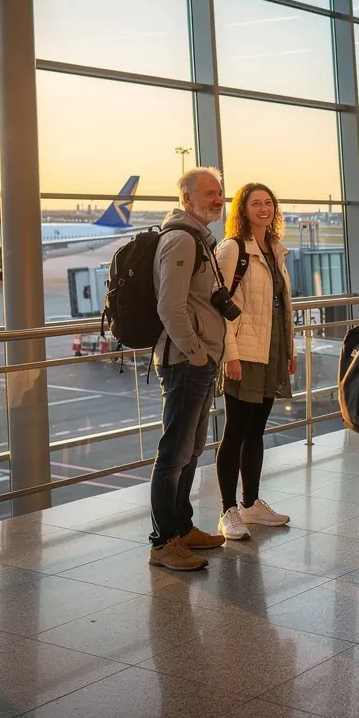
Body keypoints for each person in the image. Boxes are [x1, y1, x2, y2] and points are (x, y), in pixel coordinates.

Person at [148, 167, 228, 571]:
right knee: (173, 454)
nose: (218, 199)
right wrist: (196, 352)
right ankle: (163, 543)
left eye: (219, 192)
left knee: (191, 450)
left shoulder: (199, 238)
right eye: (210, 193)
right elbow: (170, 307)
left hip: (201, 360)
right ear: (187, 199)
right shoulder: (180, 239)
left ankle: (182, 528)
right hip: (185, 362)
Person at [215, 183, 295, 541]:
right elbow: (219, 306)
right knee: (235, 431)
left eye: (268, 203)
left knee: (257, 432)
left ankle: (250, 504)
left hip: (270, 350)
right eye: (255, 203)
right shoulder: (233, 249)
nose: (263, 208)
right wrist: (230, 355)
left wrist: (289, 349)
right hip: (244, 353)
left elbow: (281, 307)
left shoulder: (275, 250)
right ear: (242, 210)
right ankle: (227, 510)